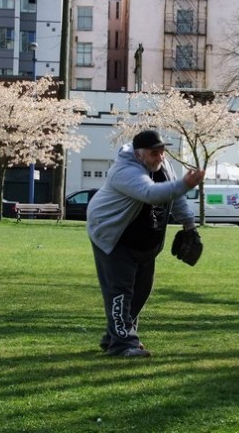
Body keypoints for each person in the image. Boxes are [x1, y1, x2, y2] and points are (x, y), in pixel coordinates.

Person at [87, 130, 205, 357]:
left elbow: (174, 197)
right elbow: (151, 193)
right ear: (139, 154)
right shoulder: (124, 170)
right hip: (114, 237)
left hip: (146, 242)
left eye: (162, 152)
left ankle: (115, 335)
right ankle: (123, 344)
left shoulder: (164, 166)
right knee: (120, 290)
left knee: (142, 291)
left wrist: (189, 224)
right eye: (154, 153)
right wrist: (185, 184)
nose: (160, 157)